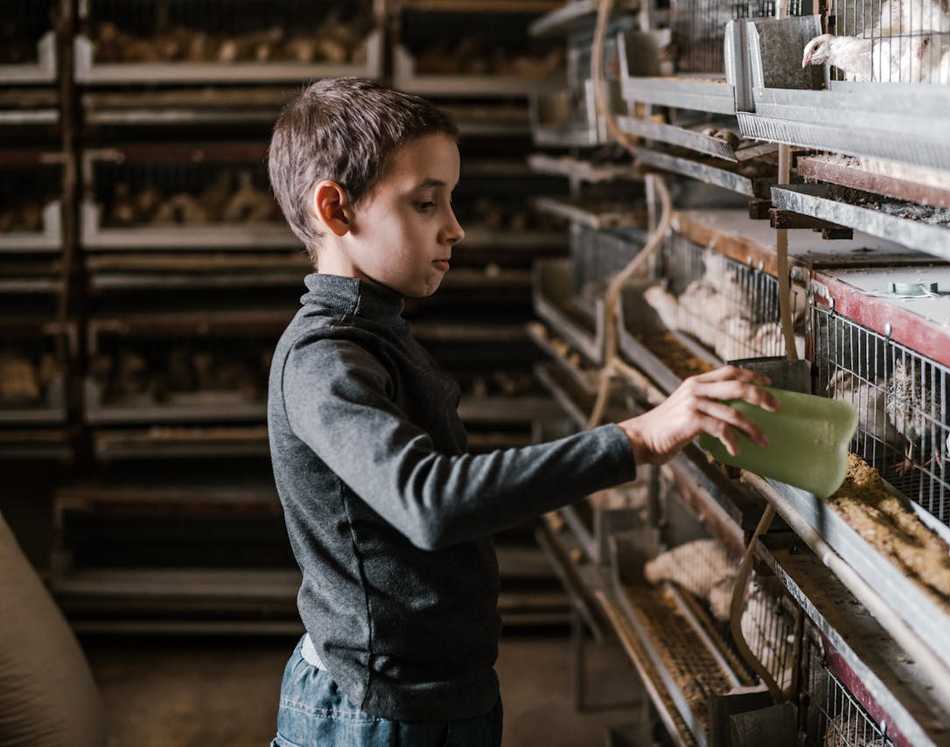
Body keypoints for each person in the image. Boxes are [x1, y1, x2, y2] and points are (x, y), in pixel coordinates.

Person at [266, 77, 775, 747]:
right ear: (337, 210)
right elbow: (430, 499)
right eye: (426, 203)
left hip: (434, 690)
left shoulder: (376, 334)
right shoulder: (323, 359)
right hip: (375, 710)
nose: (456, 226)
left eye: (450, 200)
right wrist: (637, 438)